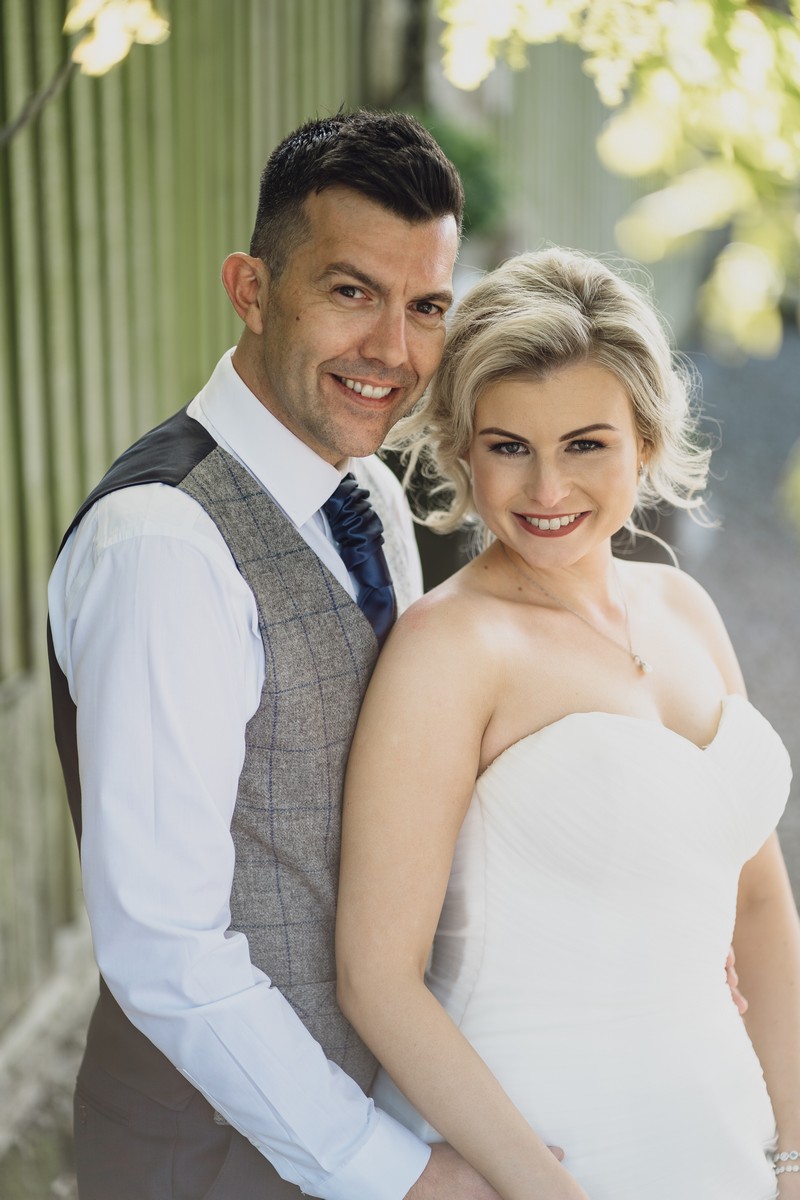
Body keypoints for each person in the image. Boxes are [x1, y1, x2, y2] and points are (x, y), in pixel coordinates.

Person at [46, 110, 506, 1199]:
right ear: (251, 290)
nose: (392, 351)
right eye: (351, 291)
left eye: (425, 307)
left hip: (365, 1112)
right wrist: (392, 1173)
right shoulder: (164, 542)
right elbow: (166, 946)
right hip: (211, 1158)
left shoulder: (369, 497)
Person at [336, 247, 800, 1200]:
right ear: (465, 450)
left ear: (646, 441)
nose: (546, 491)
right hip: (543, 1149)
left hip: (725, 1139)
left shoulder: (684, 608)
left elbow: (759, 905)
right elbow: (376, 977)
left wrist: (793, 1150)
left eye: (585, 445)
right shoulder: (447, 650)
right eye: (510, 447)